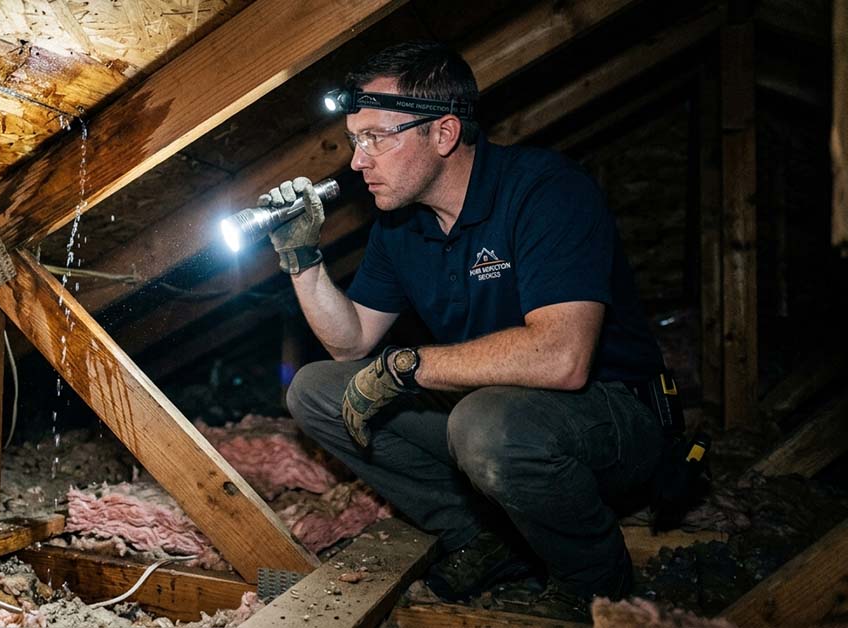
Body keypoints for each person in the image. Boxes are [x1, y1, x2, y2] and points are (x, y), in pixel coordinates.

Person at [261, 41, 668, 619]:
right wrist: (301, 255)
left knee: (487, 425)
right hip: (492, 419)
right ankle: (483, 537)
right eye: (356, 140)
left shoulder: (545, 191)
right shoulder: (400, 224)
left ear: (445, 133)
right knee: (316, 390)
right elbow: (348, 342)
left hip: (612, 416)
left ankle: (595, 586)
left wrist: (407, 367)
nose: (358, 161)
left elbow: (562, 358)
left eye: (377, 137)